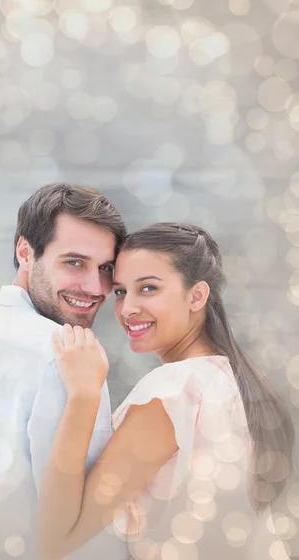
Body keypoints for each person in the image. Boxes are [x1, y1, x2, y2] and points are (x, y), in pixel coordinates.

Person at [36, 222, 295, 560]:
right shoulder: (234, 378)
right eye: (119, 291)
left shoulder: (173, 392)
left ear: (196, 295)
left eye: (148, 288)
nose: (127, 308)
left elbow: (57, 539)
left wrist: (84, 394)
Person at [0, 183, 129, 560]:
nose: (96, 287)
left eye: (106, 268)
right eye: (74, 262)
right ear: (25, 252)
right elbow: (82, 533)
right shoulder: (69, 357)